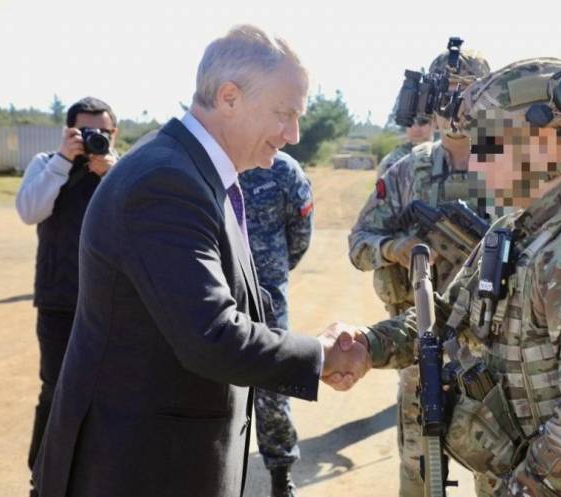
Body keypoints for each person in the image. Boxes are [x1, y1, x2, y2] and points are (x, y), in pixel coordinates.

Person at [31, 25, 367, 497]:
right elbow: (212, 336)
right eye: (284, 114)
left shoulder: (195, 170)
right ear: (229, 97)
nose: (293, 135)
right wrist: (322, 354)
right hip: (137, 470)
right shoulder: (165, 182)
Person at [339, 58, 561, 497]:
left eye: (486, 144)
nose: (475, 161)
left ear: (542, 142)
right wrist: (366, 346)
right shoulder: (517, 229)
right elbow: (447, 318)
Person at [348, 45, 490, 497]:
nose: (454, 103)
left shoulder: (512, 166)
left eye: (465, 93)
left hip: (495, 345)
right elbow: (359, 243)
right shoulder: (408, 169)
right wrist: (397, 248)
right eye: (444, 91)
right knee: (419, 468)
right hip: (422, 338)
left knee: (500, 467)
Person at [15, 97, 119, 490]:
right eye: (84, 132)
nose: (94, 138)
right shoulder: (47, 164)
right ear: (68, 132)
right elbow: (29, 211)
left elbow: (145, 219)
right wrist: (63, 161)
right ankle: (42, 478)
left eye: (103, 132)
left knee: (112, 394)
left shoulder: (125, 171)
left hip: (113, 305)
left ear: (115, 133)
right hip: (59, 302)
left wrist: (109, 173)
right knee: (55, 392)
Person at [239, 150, 314, 497]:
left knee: (274, 386)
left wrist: (274, 269)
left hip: (268, 295)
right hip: (215, 292)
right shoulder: (213, 161)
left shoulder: (283, 170)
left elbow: (300, 233)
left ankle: (280, 474)